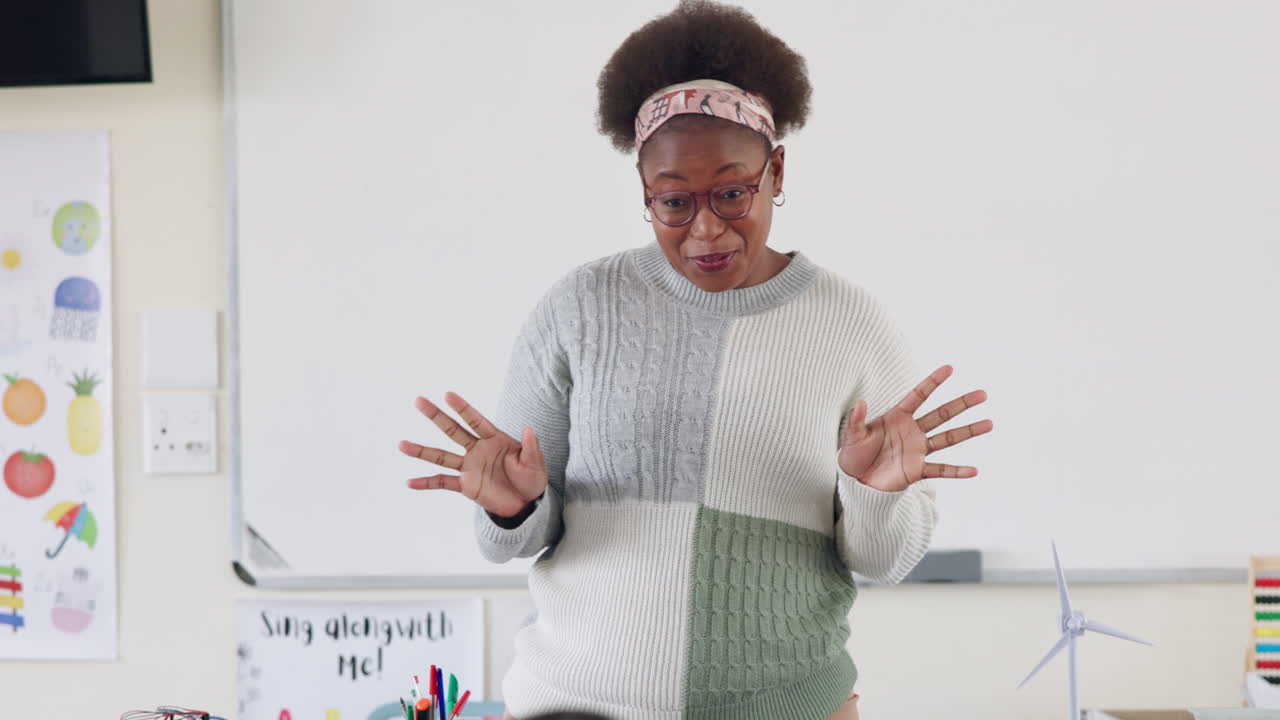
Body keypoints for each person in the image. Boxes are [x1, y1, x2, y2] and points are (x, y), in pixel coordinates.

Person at [399, 2, 994, 718]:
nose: (705, 228)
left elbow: (887, 560)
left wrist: (873, 493)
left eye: (733, 192)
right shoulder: (579, 307)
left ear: (776, 172)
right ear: (645, 194)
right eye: (673, 202)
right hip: (574, 707)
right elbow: (510, 543)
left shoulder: (851, 324)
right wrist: (514, 507)